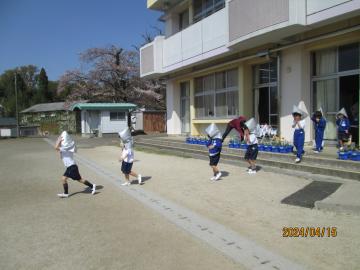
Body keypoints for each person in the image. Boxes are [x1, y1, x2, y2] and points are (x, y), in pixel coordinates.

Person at [55, 131, 96, 198]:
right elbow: (60, 153)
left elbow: (56, 147)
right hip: (71, 167)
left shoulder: (66, 149)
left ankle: (66, 193)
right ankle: (92, 186)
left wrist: (59, 140)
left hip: (72, 167)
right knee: (79, 179)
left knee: (64, 179)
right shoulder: (65, 149)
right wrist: (59, 142)